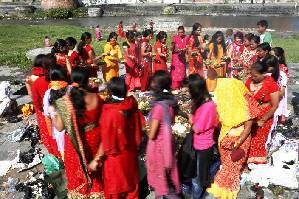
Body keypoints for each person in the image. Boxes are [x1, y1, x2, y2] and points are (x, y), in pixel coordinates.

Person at [206, 70, 260, 199]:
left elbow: (248, 125)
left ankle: (225, 194)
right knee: (228, 168)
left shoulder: (237, 105)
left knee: (230, 170)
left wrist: (237, 142)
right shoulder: (233, 104)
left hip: (236, 142)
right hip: (229, 139)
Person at [52, 67, 104, 198]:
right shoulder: (97, 97)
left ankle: (83, 193)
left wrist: (53, 110)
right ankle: (98, 192)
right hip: (96, 138)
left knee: (77, 169)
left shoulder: (66, 102)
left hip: (76, 142)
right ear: (87, 81)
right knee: (96, 171)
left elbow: (59, 127)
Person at [99, 77, 143, 199]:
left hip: (115, 157)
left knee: (116, 189)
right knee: (131, 186)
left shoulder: (109, 112)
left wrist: (97, 158)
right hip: (130, 153)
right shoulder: (131, 103)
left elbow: (106, 142)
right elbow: (140, 125)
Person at [182, 74, 218, 198]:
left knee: (198, 178)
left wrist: (190, 117)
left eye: (189, 90)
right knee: (195, 172)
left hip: (203, 146)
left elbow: (196, 128)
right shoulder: (205, 101)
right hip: (199, 144)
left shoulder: (208, 107)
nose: (187, 93)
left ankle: (196, 195)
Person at [146, 71, 181, 198]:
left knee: (162, 182)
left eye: (153, 82)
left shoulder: (158, 107)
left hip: (159, 149)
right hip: (168, 145)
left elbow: (152, 134)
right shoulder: (170, 103)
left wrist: (145, 128)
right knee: (168, 179)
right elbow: (171, 121)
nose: (151, 84)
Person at [245, 62, 279, 164]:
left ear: (264, 73)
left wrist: (263, 119)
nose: (253, 77)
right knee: (247, 137)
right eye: (251, 75)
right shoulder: (248, 81)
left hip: (264, 116)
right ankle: (246, 160)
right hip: (250, 115)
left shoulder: (271, 85)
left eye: (255, 76)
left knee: (258, 139)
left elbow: (274, 106)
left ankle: (256, 162)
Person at [43, 66, 69, 159]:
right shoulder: (70, 89)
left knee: (65, 156)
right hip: (72, 129)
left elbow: (46, 113)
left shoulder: (48, 93)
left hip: (59, 131)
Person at [31, 54, 54, 154]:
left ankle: (52, 150)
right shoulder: (51, 78)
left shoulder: (34, 79)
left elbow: (35, 101)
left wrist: (42, 110)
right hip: (54, 109)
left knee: (48, 131)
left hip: (43, 111)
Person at [272, 47, 289, 125]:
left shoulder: (282, 67)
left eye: (273, 56)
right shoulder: (272, 65)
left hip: (279, 89)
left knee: (279, 105)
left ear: (278, 57)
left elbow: (283, 81)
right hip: (274, 89)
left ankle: (280, 120)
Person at [170, 26, 189, 90]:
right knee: (176, 71)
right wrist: (176, 49)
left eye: (181, 32)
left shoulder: (186, 37)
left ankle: (181, 84)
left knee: (182, 70)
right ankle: (175, 85)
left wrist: (185, 49)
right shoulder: (175, 38)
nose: (180, 34)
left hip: (182, 57)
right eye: (179, 32)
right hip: (176, 57)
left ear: (184, 32)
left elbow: (188, 46)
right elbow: (172, 48)